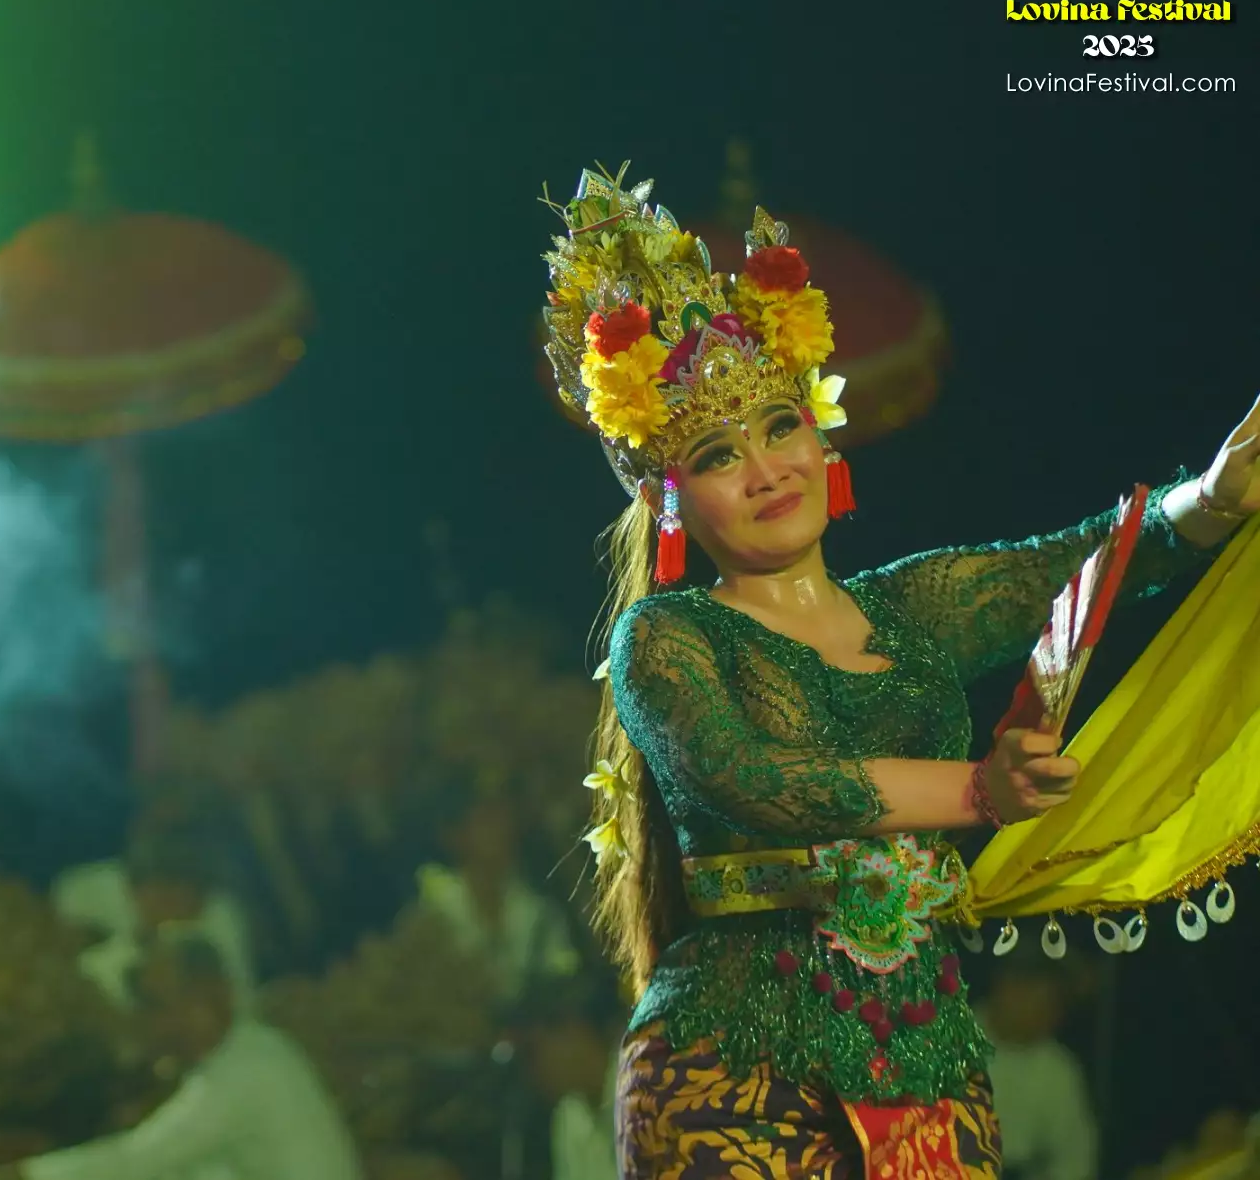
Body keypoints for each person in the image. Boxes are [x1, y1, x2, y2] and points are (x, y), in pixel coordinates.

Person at [536, 166, 1257, 1176]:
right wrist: (975, 790)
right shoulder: (666, 637)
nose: (766, 469)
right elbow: (762, 778)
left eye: (779, 426)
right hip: (729, 1062)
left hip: (921, 1048)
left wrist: (1211, 500)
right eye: (717, 454)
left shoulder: (913, 606)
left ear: (820, 435)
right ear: (670, 498)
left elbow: (1068, 563)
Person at [0, 935, 364, 1180]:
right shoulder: (254, 1045)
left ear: (213, 995)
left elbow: (135, 1161)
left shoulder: (244, 1070)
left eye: (162, 1005)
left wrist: (21, 1175)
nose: (157, 1024)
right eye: (150, 1008)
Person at [58, 825, 255, 1011]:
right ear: (135, 893)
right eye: (165, 899)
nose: (174, 908)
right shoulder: (98, 965)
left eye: (184, 898)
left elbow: (241, 1001)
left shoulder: (218, 939)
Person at [412, 789, 578, 1003]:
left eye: (504, 819)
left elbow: (563, 977)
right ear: (457, 834)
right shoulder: (435, 904)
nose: (500, 832)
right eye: (486, 820)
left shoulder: (538, 910)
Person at [981, 959, 1096, 1180]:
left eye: (1054, 1006)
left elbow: (1075, 1162)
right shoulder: (947, 1040)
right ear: (1006, 988)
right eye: (1041, 1002)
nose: (1050, 1016)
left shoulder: (1059, 1071)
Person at [511, 974, 622, 1180]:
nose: (530, 1070)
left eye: (532, 1052)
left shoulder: (646, 1090)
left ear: (572, 1030)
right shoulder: (569, 1118)